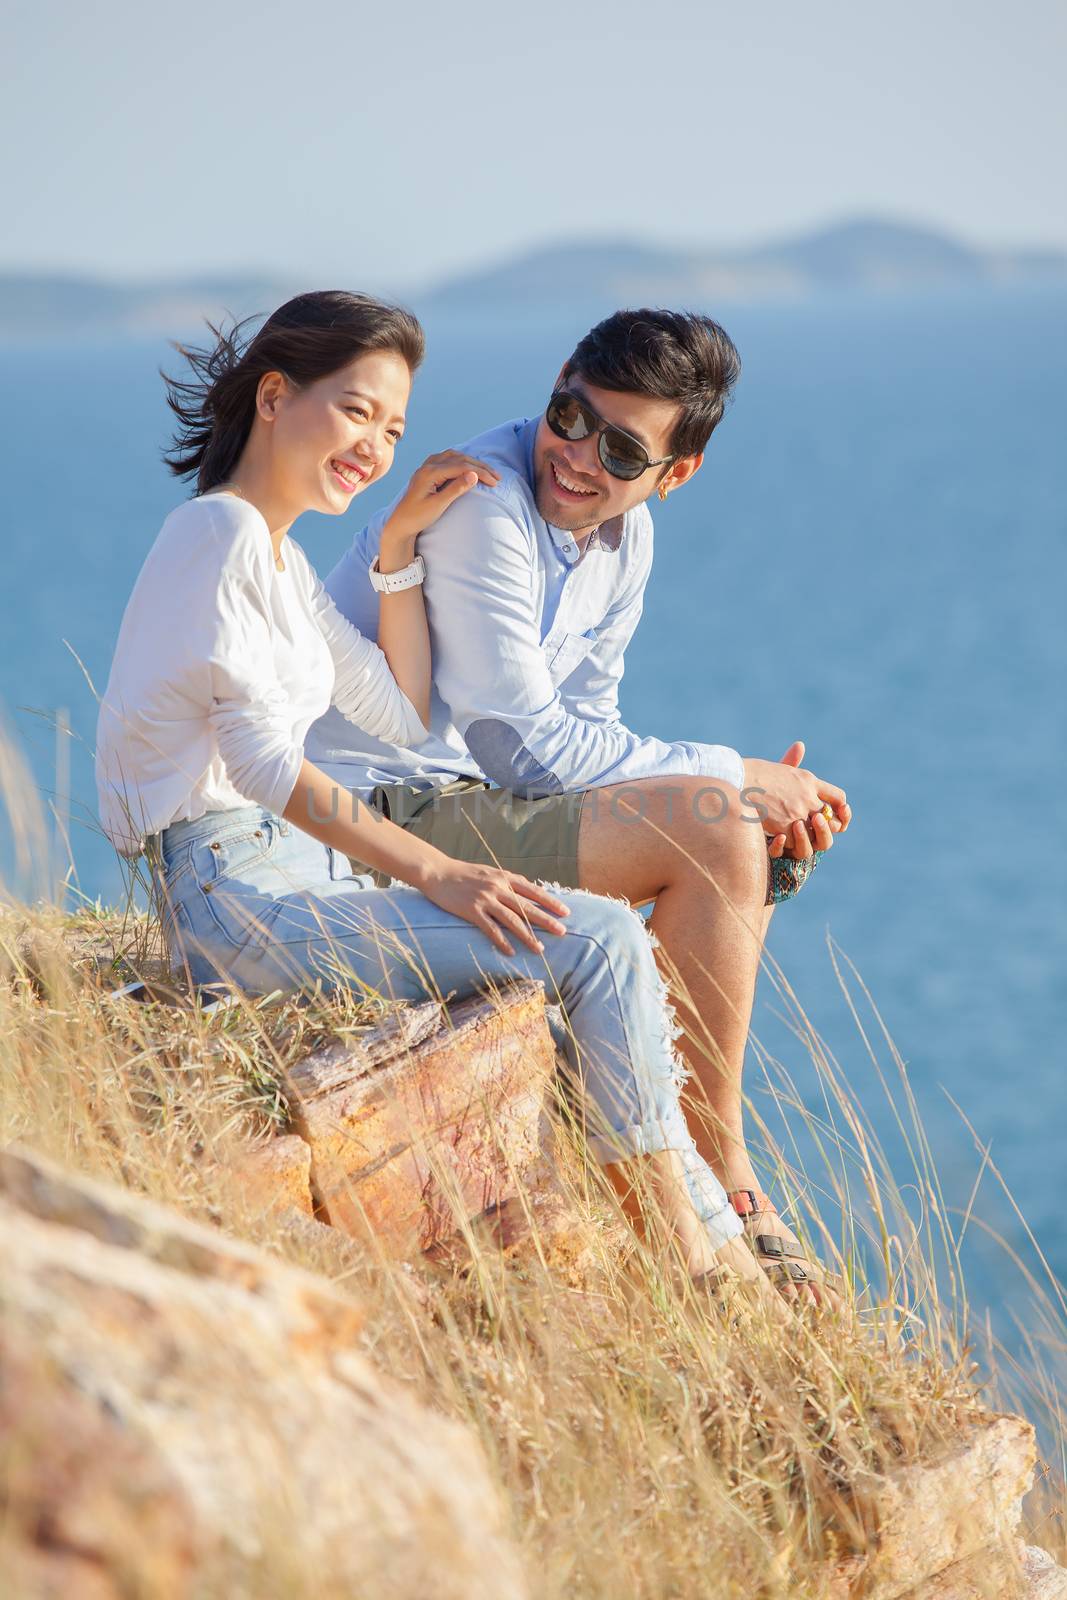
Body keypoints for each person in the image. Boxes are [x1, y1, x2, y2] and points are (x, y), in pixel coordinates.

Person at [95, 288, 786, 1312]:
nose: (374, 445)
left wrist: (396, 546)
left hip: (298, 876)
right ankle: (690, 1268)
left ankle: (734, 1261)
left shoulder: (278, 564)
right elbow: (260, 768)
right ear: (275, 397)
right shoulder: (218, 538)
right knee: (594, 941)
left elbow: (404, 712)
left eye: (392, 427)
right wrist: (442, 872)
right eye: (354, 410)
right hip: (231, 894)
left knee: (611, 944)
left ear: (672, 473)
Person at [306, 308, 852, 1300]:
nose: (576, 457)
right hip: (366, 818)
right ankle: (720, 1173)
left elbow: (585, 715)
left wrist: (725, 796)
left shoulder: (623, 538)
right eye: (569, 414)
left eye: (620, 449)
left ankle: (669, 1138)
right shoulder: (484, 503)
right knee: (718, 822)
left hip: (463, 799)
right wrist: (726, 777)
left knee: (735, 834)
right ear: (556, 379)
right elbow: (522, 744)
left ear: (673, 474)